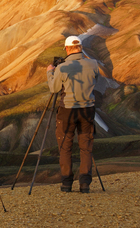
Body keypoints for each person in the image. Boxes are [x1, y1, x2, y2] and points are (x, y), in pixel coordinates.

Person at [46, 36, 99, 193]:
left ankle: (66, 183)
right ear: (81, 47)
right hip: (88, 110)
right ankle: (84, 183)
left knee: (65, 146)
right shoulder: (93, 64)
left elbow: (54, 89)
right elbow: (96, 78)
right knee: (86, 147)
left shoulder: (62, 68)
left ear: (67, 49)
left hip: (67, 111)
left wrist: (50, 73)